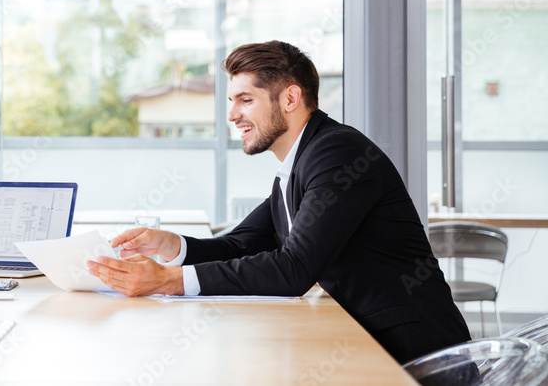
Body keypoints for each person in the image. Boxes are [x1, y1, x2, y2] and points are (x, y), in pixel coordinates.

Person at [88, 40, 470, 364]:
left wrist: (168, 282)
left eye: (245, 100)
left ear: (290, 98)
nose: (232, 115)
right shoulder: (298, 166)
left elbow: (294, 269)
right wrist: (174, 247)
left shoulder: (338, 154)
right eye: (232, 101)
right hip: (366, 344)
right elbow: (239, 245)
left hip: (415, 355)